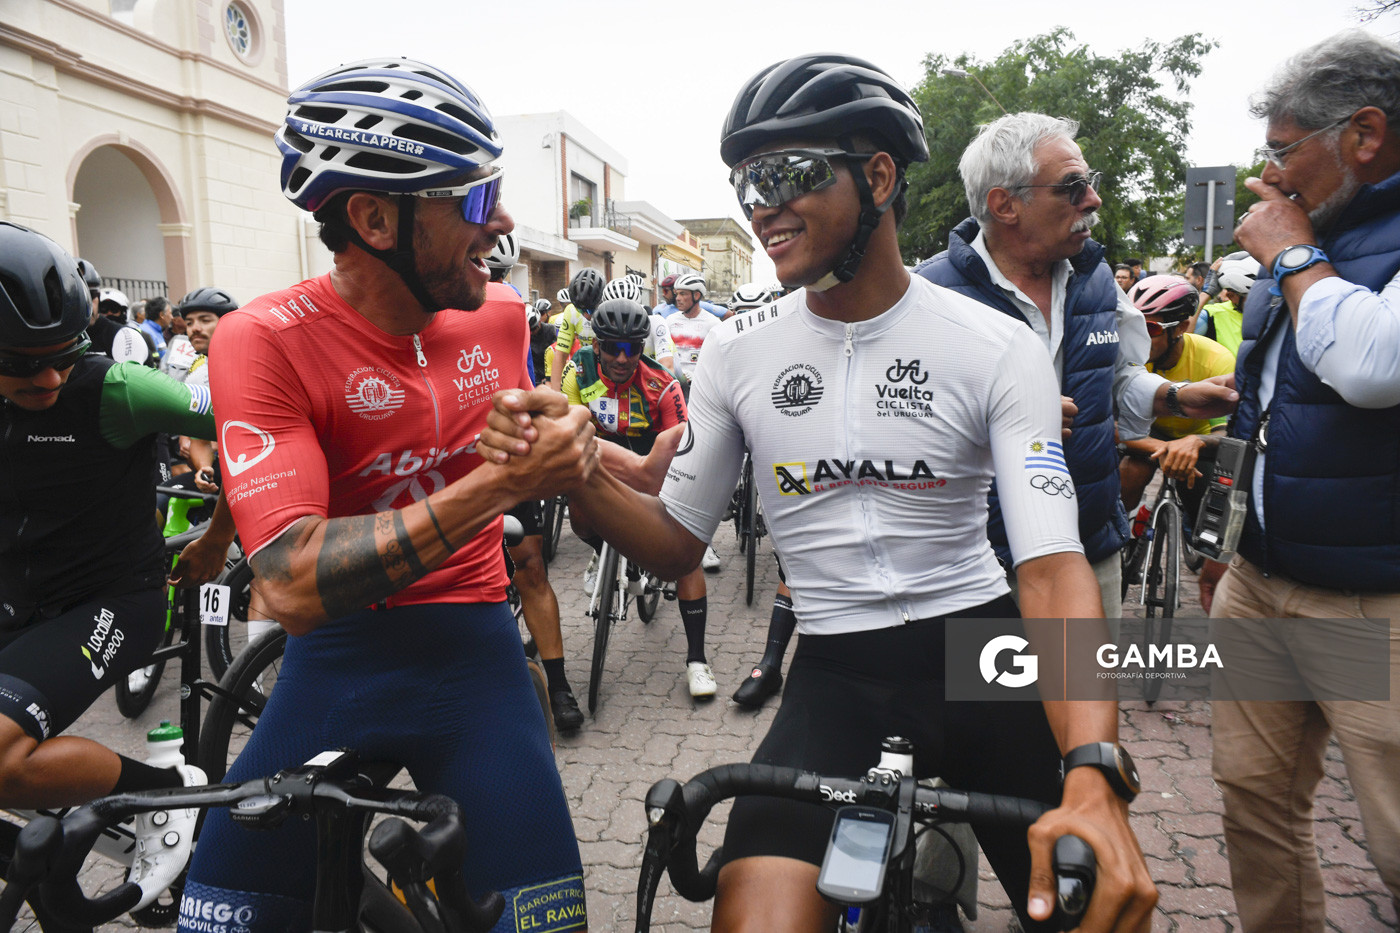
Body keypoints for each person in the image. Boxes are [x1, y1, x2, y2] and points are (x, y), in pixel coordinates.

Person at [480, 53, 1155, 933]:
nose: (761, 203)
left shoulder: (994, 345)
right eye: (746, 181)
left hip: (982, 648)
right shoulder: (737, 354)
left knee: (1100, 902)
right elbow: (677, 540)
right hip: (838, 668)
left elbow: (1052, 567)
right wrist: (575, 479)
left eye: (788, 173)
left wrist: (1095, 771)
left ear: (879, 176)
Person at [181, 57, 596, 933]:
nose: (504, 222)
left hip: (476, 659)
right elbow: (290, 580)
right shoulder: (262, 340)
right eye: (475, 202)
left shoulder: (500, 315)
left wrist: (563, 433)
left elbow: (532, 430)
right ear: (373, 218)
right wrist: (501, 482)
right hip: (336, 667)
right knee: (217, 916)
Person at [1211, 31, 1400, 932]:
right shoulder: (1321, 234)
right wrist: (1227, 537)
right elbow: (1269, 403)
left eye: (1287, 150)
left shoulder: (1300, 245)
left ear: (1364, 134)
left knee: (1395, 835)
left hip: (1375, 602)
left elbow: (1371, 366)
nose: (1270, 174)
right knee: (1254, 801)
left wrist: (1289, 255)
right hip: (1261, 578)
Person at [915, 112, 1236, 623]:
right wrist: (1003, 416)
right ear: (1005, 204)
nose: (1093, 199)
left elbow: (1117, 376)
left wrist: (1174, 397)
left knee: (1083, 693)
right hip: (977, 560)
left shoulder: (1097, 279)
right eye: (1072, 187)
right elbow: (892, 421)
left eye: (1091, 183)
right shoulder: (929, 296)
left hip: (1087, 545)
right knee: (990, 698)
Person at [0, 222, 235, 911]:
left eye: (63, 355)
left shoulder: (119, 388)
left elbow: (250, 431)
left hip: (111, 601)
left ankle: (165, 796)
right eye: (21, 361)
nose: (48, 377)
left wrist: (218, 537)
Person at [560, 298, 716, 697]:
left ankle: (697, 660)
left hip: (651, 460)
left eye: (633, 348)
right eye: (613, 347)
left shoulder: (662, 383)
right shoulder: (579, 368)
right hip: (600, 458)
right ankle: (602, 550)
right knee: (577, 507)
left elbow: (681, 445)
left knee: (685, 554)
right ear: (598, 346)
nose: (623, 358)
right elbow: (566, 428)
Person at [488, 233, 583, 731]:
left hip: (507, 451)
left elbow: (523, 381)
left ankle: (559, 682)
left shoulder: (510, 310)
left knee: (531, 569)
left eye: (500, 276)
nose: (495, 285)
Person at [1115, 275, 1234, 593]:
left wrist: (1194, 441)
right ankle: (1118, 539)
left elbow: (1227, 433)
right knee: (1130, 474)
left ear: (1181, 328)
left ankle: (1200, 542)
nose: (1138, 338)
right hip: (1144, 435)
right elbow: (1106, 426)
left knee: (1205, 487)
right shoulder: (1124, 356)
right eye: (1133, 326)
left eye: (1151, 329)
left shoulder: (1216, 359)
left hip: (1197, 438)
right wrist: (1155, 445)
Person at [549, 266, 605, 391]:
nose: (586, 315)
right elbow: (561, 355)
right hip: (588, 371)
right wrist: (555, 394)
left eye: (590, 310)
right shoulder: (571, 311)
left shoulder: (609, 310)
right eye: (581, 309)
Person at [1192, 255, 1258, 355]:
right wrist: (1205, 295)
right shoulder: (1213, 315)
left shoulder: (1276, 311)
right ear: (1231, 296)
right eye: (1255, 296)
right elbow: (1181, 335)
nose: (1263, 299)